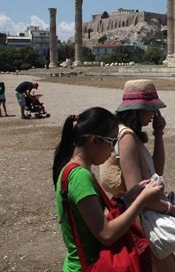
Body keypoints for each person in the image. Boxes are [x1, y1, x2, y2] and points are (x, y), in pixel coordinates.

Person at [52, 107, 163, 272]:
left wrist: (127, 198)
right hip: (88, 267)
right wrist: (141, 200)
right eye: (111, 142)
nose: (112, 149)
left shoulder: (71, 168)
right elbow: (106, 234)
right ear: (94, 140)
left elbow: (93, 218)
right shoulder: (81, 177)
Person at [100, 79, 175, 272]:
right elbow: (138, 194)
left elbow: (157, 171)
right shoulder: (127, 137)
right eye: (151, 109)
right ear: (137, 110)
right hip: (137, 221)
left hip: (138, 216)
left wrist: (159, 134)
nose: (154, 114)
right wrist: (171, 208)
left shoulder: (130, 134)